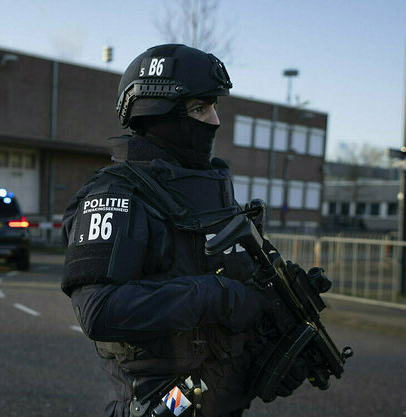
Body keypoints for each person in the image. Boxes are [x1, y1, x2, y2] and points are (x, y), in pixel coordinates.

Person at [60, 44, 306, 417]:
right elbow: (99, 310)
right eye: (198, 109)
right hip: (161, 409)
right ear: (159, 113)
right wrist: (216, 295)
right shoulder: (116, 194)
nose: (214, 121)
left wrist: (269, 356)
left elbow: (236, 314)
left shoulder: (212, 192)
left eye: (214, 107)